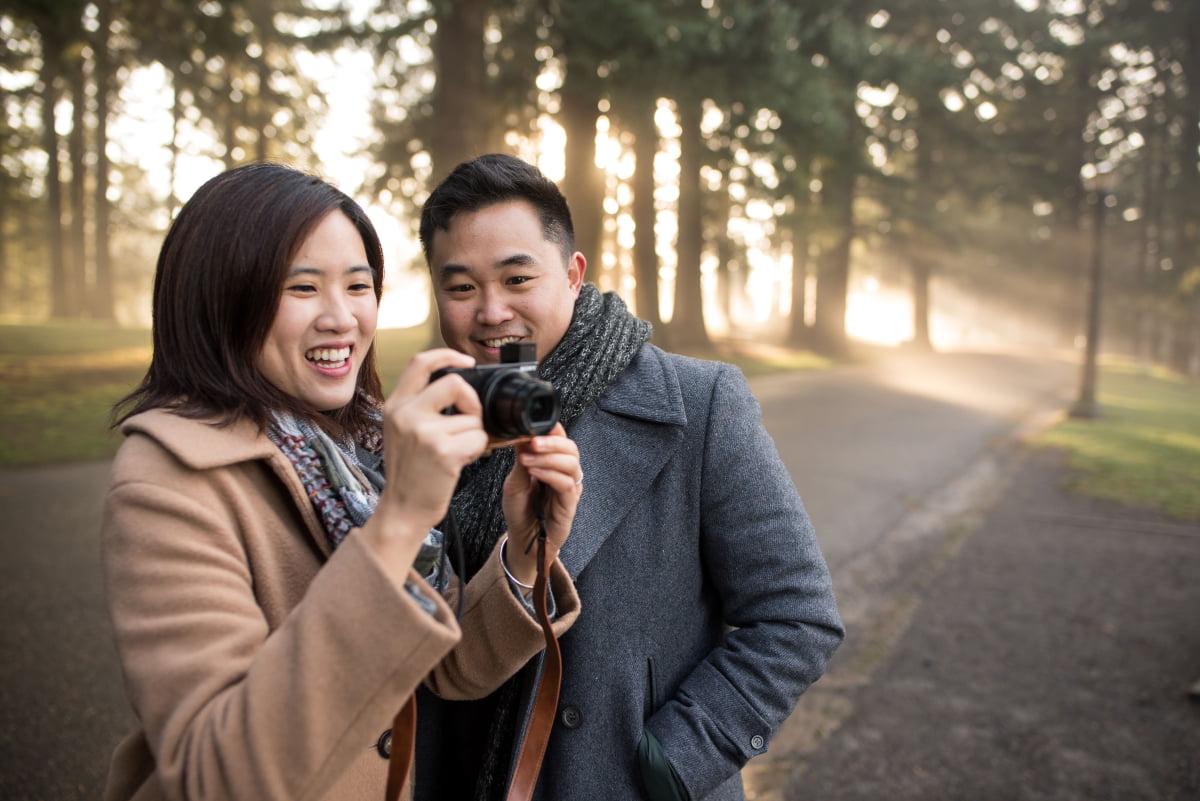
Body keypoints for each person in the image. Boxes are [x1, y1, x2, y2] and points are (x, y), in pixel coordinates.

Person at [100, 162, 584, 801]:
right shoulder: (168, 484)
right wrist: (401, 519)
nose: (342, 318)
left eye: (359, 287)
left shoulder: (353, 451)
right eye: (302, 289)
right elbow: (216, 776)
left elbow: (441, 669)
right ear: (223, 298)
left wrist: (524, 554)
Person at [412, 153, 845, 801]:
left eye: (517, 277)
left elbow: (795, 615)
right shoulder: (425, 424)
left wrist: (671, 761)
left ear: (573, 275)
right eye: (462, 287)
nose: (491, 310)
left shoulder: (698, 402)